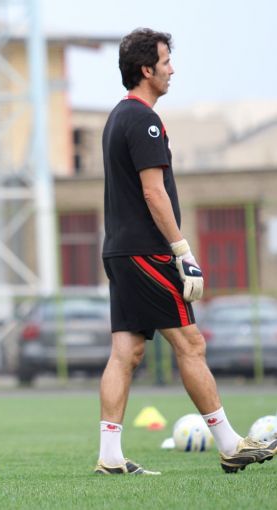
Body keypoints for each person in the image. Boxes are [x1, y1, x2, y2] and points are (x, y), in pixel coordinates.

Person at [96, 28, 277, 475]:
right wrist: (182, 251)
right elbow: (153, 192)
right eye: (166, 62)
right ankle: (231, 444)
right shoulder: (144, 120)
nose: (172, 69)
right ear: (146, 69)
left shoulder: (117, 116)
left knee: (125, 351)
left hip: (119, 251)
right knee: (191, 343)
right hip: (147, 252)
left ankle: (110, 456)